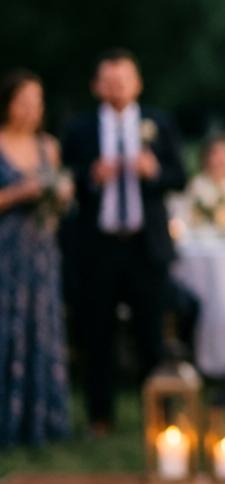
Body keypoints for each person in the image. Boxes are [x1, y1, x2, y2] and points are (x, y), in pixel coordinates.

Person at [61, 49, 187, 435]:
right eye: (109, 81)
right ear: (98, 86)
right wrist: (90, 177)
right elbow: (66, 182)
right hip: (97, 247)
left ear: (137, 83)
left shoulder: (158, 123)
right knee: (96, 333)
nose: (117, 87)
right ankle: (101, 417)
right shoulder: (80, 128)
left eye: (124, 80)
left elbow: (180, 176)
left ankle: (160, 417)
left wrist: (155, 171)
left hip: (144, 246)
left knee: (151, 333)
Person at [0, 70, 72, 447]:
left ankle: (42, 420)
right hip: (5, 252)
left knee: (40, 329)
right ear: (8, 103)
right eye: (23, 100)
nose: (31, 109)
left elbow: (59, 204)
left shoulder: (49, 146)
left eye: (37, 101)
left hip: (41, 252)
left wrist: (60, 194)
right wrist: (18, 192)